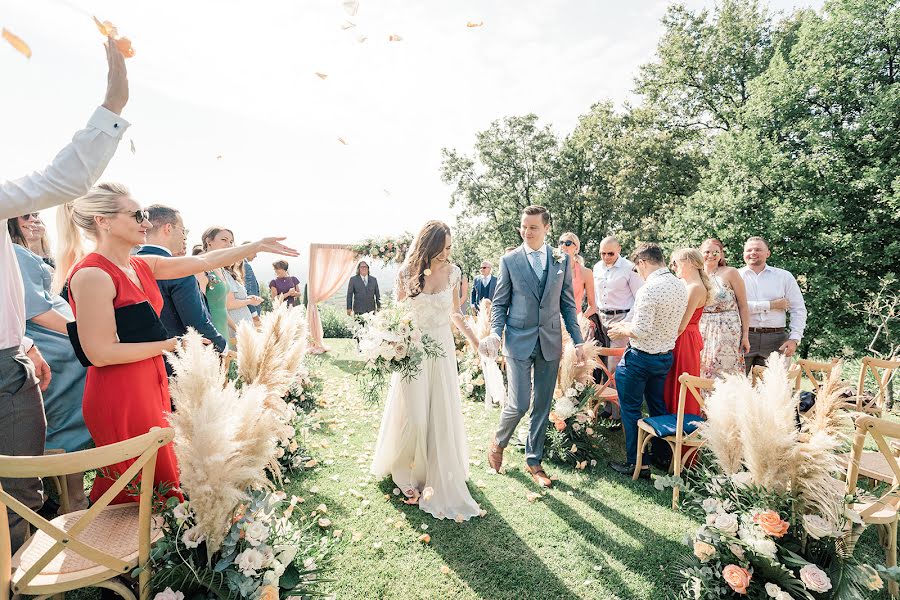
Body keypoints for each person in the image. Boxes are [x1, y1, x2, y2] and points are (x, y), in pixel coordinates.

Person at [57, 182, 297, 505]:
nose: (146, 222)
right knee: (136, 490)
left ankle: (153, 551)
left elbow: (202, 263)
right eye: (137, 214)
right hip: (121, 394)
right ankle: (127, 550)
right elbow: (98, 353)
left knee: (161, 482)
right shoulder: (92, 275)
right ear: (104, 221)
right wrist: (167, 346)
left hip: (150, 383)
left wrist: (255, 246)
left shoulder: (141, 265)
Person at [0, 37, 128, 551]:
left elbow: (62, 177)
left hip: (10, 368)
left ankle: (17, 575)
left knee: (21, 491)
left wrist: (113, 105)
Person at [371, 221, 484, 521]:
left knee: (440, 414)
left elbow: (456, 314)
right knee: (416, 416)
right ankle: (407, 472)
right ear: (428, 246)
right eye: (442, 248)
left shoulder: (454, 272)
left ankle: (436, 473)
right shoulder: (405, 273)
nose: (447, 253)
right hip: (414, 351)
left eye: (449, 247)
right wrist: (392, 342)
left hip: (443, 351)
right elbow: (396, 317)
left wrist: (476, 343)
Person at [479, 205, 584, 488]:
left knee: (542, 404)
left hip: (550, 340)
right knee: (520, 402)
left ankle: (534, 460)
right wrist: (495, 334)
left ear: (547, 228)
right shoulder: (510, 260)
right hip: (517, 341)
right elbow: (500, 303)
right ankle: (499, 442)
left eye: (533, 227)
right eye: (523, 226)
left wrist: (579, 340)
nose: (526, 232)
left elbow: (567, 305)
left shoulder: (561, 260)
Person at [11, 216, 91, 510]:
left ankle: (64, 496)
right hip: (52, 348)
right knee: (65, 423)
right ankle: (70, 498)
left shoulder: (26, 253)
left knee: (60, 425)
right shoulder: (16, 254)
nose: (34, 219)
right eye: (25, 216)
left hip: (51, 343)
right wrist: (84, 334)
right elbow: (37, 311)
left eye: (37, 214)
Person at [606, 244, 688, 478]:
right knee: (657, 407)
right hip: (664, 358)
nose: (638, 273)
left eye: (637, 267)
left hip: (640, 359)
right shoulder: (679, 286)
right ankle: (663, 456)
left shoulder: (649, 288)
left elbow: (641, 330)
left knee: (631, 410)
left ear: (643, 262)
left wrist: (621, 328)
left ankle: (637, 463)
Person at [136, 205, 227, 364]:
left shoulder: (129, 264)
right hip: (177, 361)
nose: (184, 236)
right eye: (183, 230)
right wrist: (222, 347)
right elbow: (196, 322)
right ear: (168, 228)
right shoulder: (178, 269)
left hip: (137, 358)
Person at [592, 235, 644, 421]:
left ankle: (617, 413)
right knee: (602, 363)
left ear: (619, 249)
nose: (606, 257)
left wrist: (626, 323)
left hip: (622, 317)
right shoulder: (597, 267)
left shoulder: (629, 268)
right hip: (602, 318)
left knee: (615, 366)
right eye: (603, 253)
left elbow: (640, 298)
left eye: (610, 253)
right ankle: (606, 406)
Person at [739, 236, 807, 371]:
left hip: (776, 340)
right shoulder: (735, 276)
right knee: (736, 385)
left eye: (758, 249)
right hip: (742, 337)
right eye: (749, 250)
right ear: (743, 254)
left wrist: (794, 339)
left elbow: (798, 309)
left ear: (768, 253)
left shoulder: (784, 277)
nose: (753, 253)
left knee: (773, 388)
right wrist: (772, 305)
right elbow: (735, 308)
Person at [663, 249, 715, 418]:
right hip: (680, 336)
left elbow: (681, 324)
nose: (673, 267)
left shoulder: (695, 288)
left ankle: (681, 428)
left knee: (681, 382)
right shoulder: (686, 285)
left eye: (676, 262)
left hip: (683, 338)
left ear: (690, 263)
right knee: (671, 381)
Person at [699, 238, 750, 380]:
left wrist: (745, 335)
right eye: (707, 252)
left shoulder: (730, 272)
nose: (711, 255)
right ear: (700, 253)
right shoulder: (697, 275)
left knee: (725, 371)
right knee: (703, 367)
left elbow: (743, 305)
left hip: (728, 329)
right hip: (702, 327)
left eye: (715, 251)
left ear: (721, 254)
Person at [557, 232, 598, 320]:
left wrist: (580, 321)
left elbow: (593, 306)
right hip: (551, 323)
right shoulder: (550, 270)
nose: (563, 246)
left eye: (568, 243)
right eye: (560, 243)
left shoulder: (586, 273)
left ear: (576, 248)